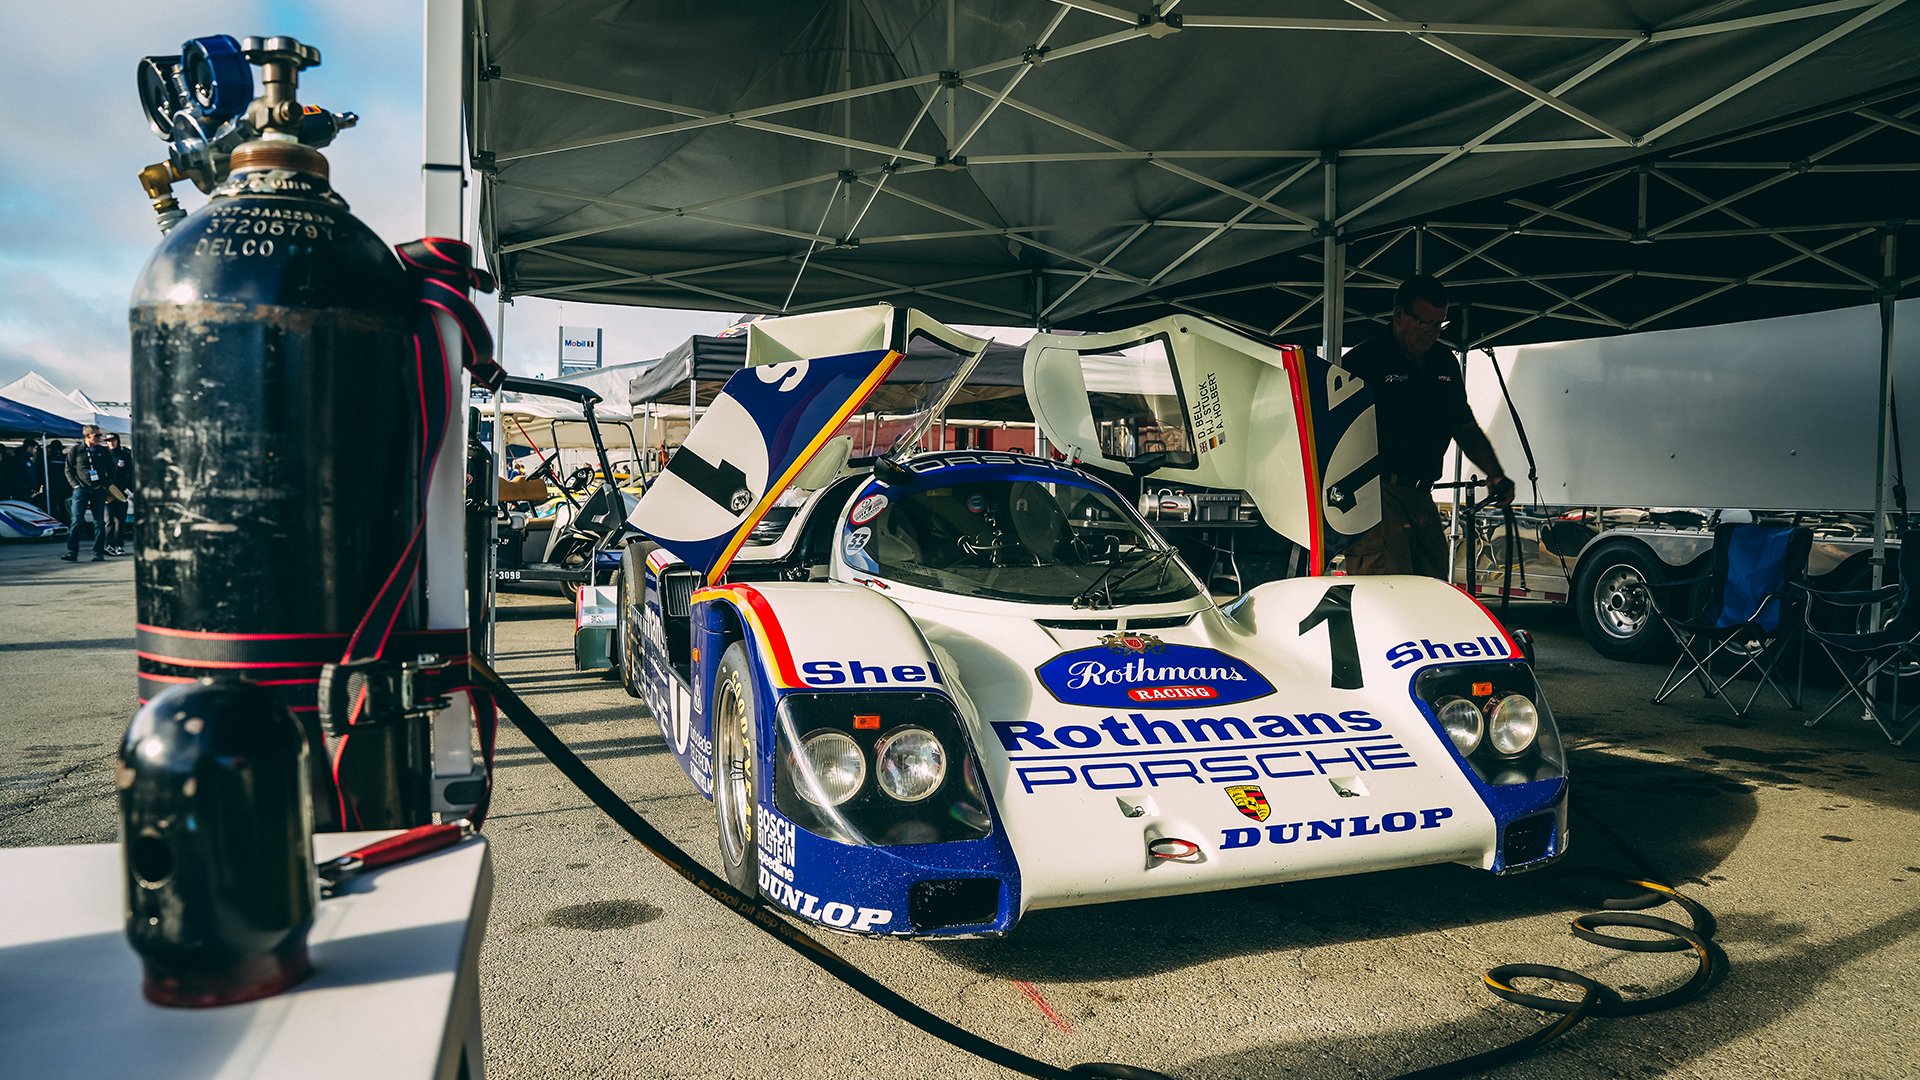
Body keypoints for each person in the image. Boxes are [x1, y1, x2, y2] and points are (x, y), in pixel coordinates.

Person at [1337, 274, 1512, 578]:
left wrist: (1495, 474)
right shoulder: (1363, 361)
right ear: (1399, 315)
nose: (1431, 333)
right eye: (1424, 323)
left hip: (1421, 495)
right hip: (1378, 493)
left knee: (1433, 586)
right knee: (1387, 592)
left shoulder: (1444, 362)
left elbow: (1464, 426)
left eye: (1438, 325)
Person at [61, 426, 116, 562]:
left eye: (99, 435)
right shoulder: (76, 450)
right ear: (88, 436)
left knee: (99, 522)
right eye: (96, 436)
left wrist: (105, 485)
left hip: (98, 489)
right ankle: (72, 551)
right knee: (77, 520)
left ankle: (98, 552)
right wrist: (75, 485)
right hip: (81, 489)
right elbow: (68, 469)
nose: (99, 438)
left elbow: (112, 469)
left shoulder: (103, 451)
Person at [103, 432, 134, 556]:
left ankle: (118, 545)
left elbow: (131, 474)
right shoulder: (103, 455)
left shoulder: (125, 455)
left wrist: (129, 491)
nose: (111, 442)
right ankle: (108, 545)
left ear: (117, 441)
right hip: (107, 493)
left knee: (120, 521)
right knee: (108, 520)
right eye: (108, 441)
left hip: (121, 492)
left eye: (113, 440)